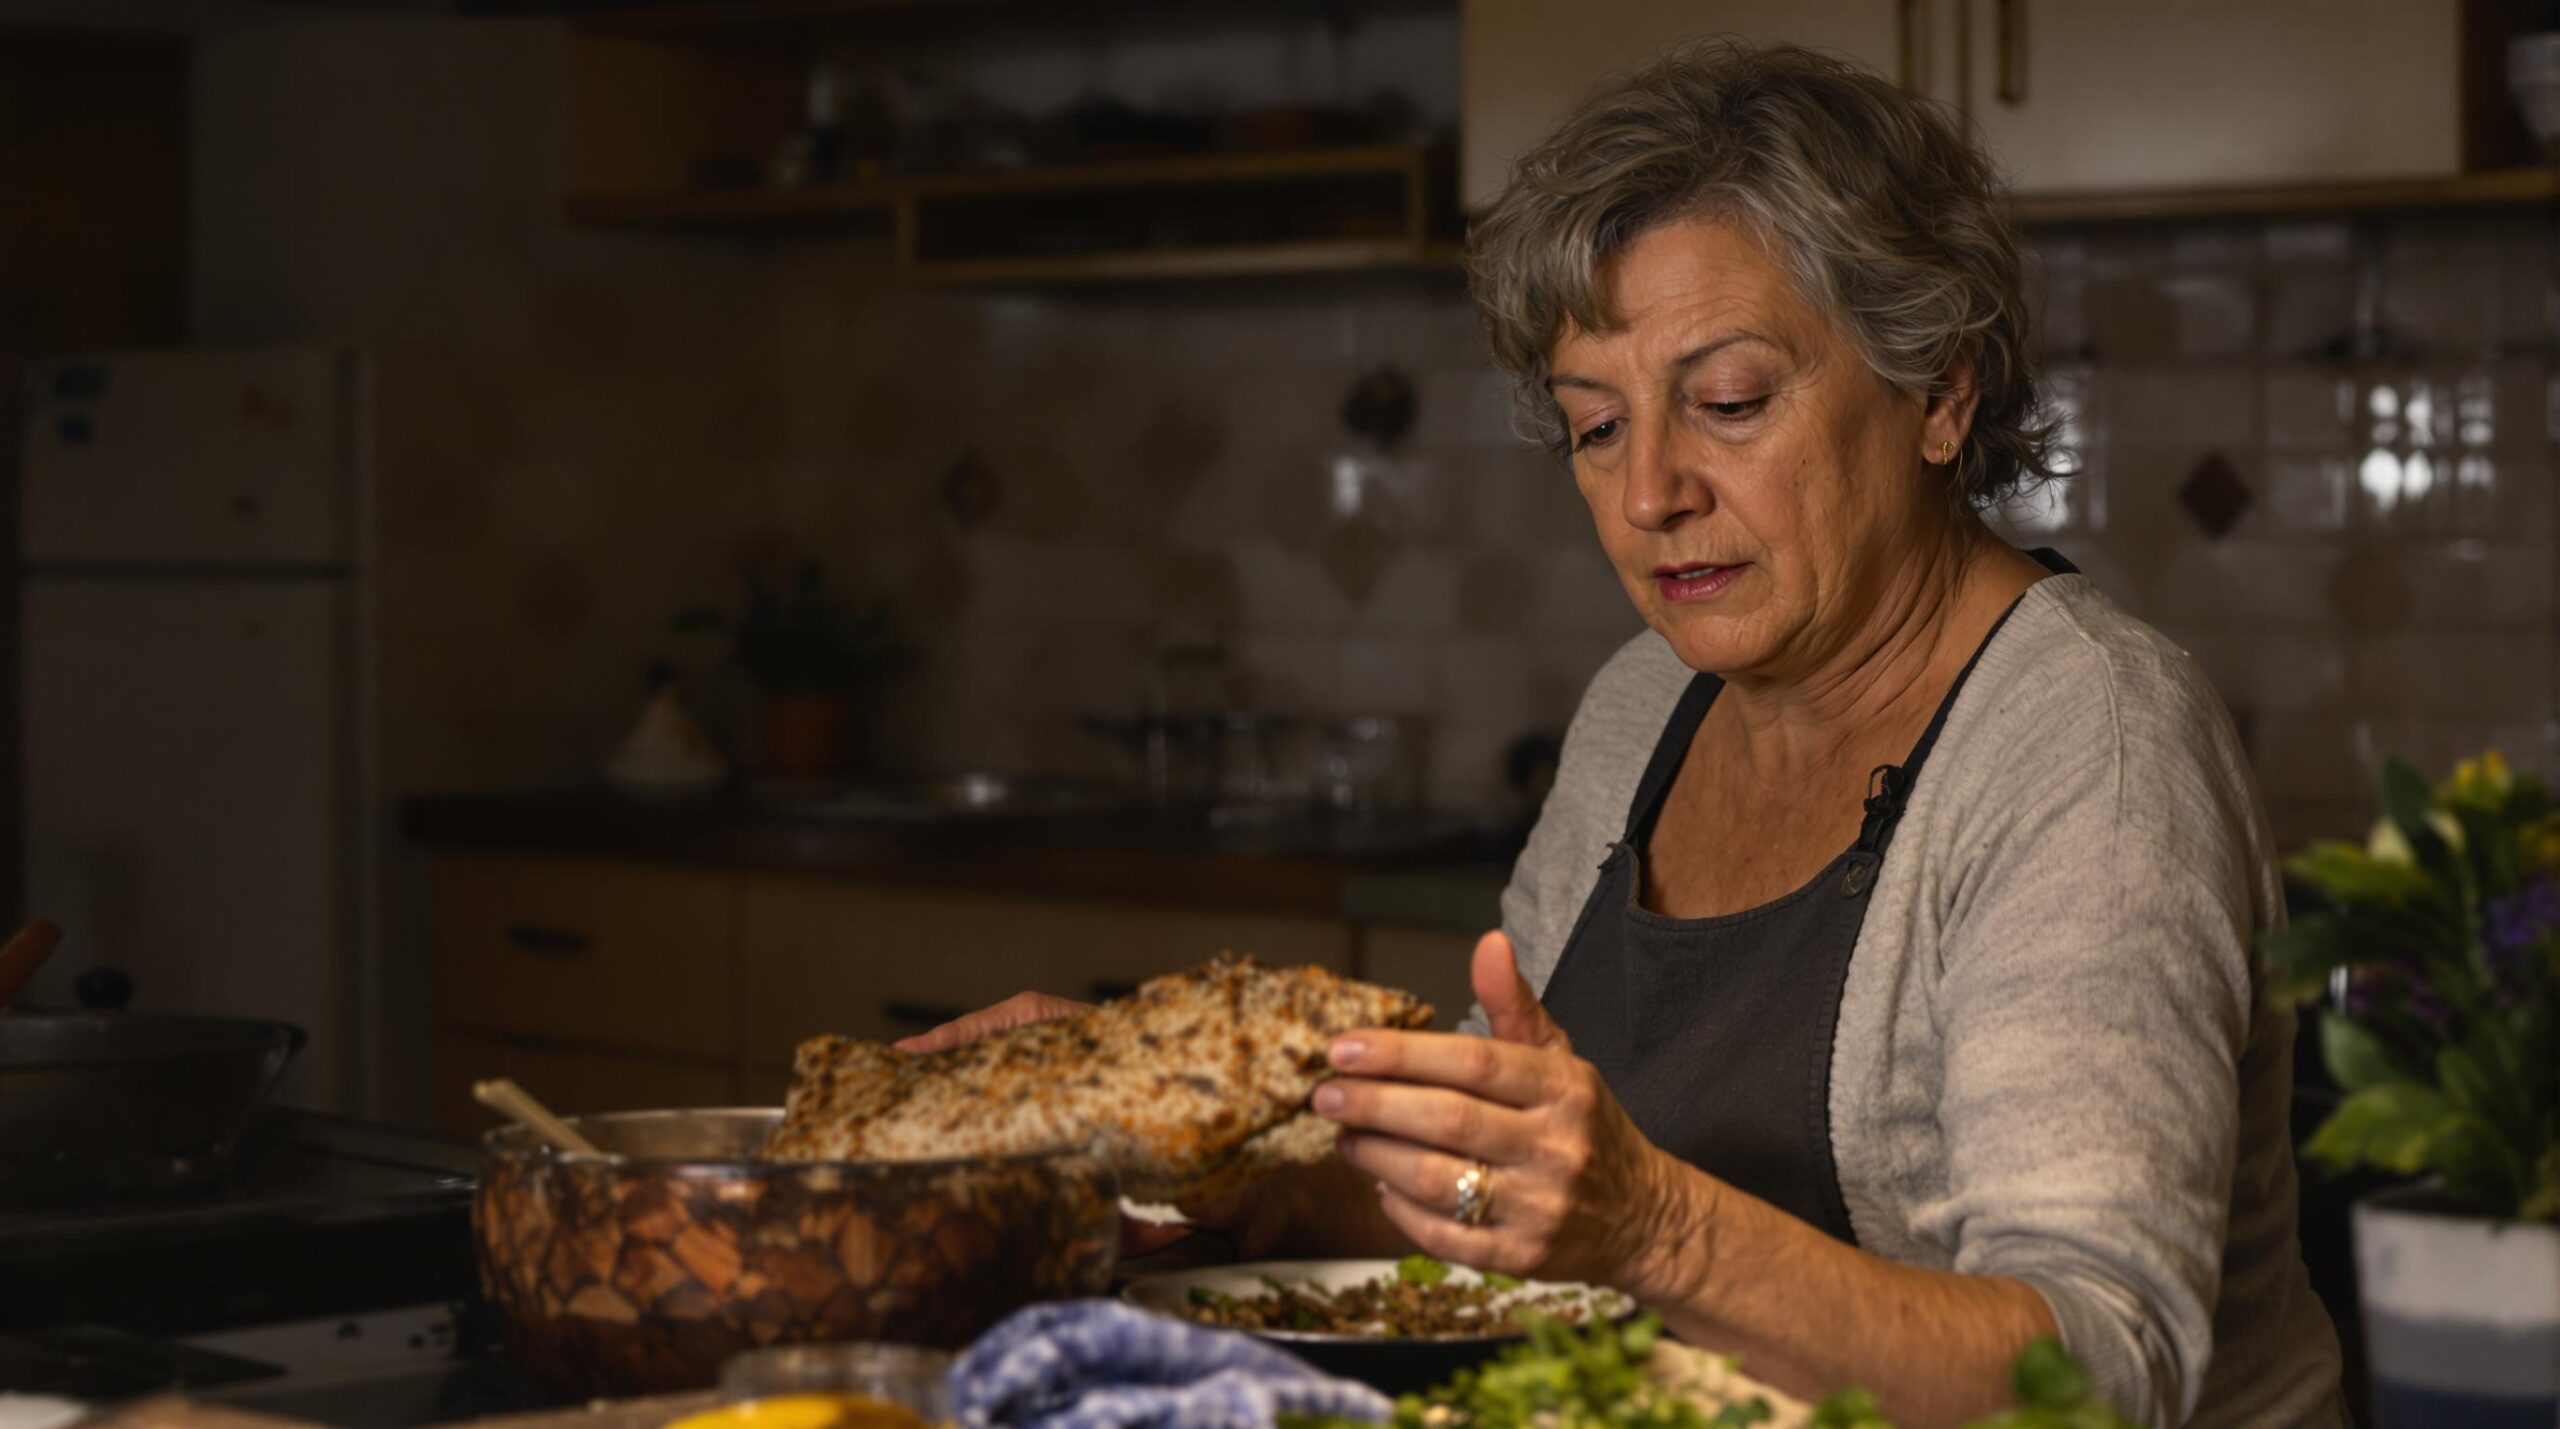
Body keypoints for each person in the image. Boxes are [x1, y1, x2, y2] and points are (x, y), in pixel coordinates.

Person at [905, 42, 2343, 1427]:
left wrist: (1652, 1225)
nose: (1651, 490)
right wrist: (1214, 1157)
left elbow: (2100, 1368)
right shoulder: (1644, 705)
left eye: (1728, 402)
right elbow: (1494, 1184)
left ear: (1941, 390)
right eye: (1598, 427)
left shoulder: (2088, 745)